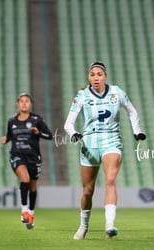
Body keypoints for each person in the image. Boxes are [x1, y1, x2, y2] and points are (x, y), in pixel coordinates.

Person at [64, 61, 146, 240]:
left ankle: (110, 225)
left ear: (105, 76)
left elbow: (132, 111)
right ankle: (83, 225)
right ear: (89, 77)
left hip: (111, 141)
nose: (95, 78)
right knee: (88, 190)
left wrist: (137, 131)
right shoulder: (82, 96)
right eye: (92, 74)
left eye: (99, 74)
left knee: (110, 180)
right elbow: (68, 123)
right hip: (89, 144)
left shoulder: (117, 92)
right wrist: (74, 133)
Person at [1, 93, 53, 229]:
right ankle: (24, 211)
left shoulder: (37, 119)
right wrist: (5, 139)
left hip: (34, 157)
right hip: (17, 155)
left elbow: (50, 135)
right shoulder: (12, 121)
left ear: (31, 104)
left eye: (27, 101)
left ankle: (31, 213)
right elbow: (9, 136)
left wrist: (38, 133)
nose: (24, 103)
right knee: (24, 178)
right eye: (21, 101)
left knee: (32, 187)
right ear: (17, 104)